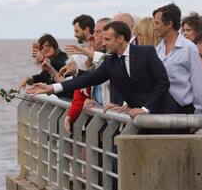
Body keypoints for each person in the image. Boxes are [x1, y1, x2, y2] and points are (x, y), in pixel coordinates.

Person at [27, 21, 176, 119]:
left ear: (120, 39)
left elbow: (163, 83)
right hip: (137, 118)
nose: (103, 44)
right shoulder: (111, 61)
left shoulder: (146, 52)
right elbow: (87, 79)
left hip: (164, 115)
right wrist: (51, 88)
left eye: (107, 39)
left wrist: (145, 108)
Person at [153, 3, 202, 114]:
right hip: (163, 109)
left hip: (184, 110)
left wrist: (198, 114)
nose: (155, 27)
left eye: (157, 23)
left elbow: (198, 84)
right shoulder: (158, 49)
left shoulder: (189, 48)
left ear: (169, 24)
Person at [17, 34, 72, 99]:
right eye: (42, 48)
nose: (45, 49)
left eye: (47, 46)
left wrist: (43, 60)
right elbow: (44, 76)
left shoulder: (63, 59)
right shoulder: (50, 61)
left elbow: (60, 65)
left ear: (55, 46)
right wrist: (29, 79)